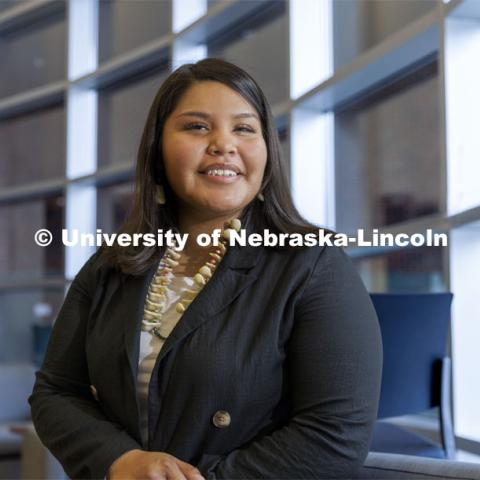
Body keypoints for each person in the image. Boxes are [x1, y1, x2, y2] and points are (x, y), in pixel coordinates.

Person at [29, 58, 383, 480]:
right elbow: (56, 391)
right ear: (158, 151)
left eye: (244, 128)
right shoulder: (111, 265)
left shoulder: (314, 266)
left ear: (267, 154)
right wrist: (119, 460)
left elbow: (335, 435)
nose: (223, 144)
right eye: (197, 126)